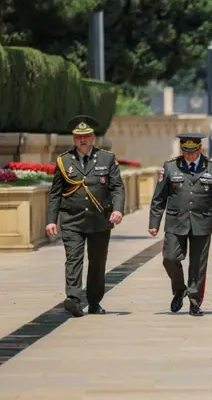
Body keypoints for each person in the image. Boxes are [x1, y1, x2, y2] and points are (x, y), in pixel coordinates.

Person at [45, 115, 125, 317]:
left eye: (87, 136)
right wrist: (50, 220)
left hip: (100, 219)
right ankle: (73, 298)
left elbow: (117, 188)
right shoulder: (64, 161)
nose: (83, 140)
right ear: (74, 138)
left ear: (93, 138)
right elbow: (55, 194)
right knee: (73, 258)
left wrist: (118, 209)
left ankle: (94, 301)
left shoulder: (107, 158)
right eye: (79, 136)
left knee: (97, 262)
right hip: (72, 220)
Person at [148, 133, 212, 317]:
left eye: (193, 151)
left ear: (200, 149)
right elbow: (158, 198)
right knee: (169, 258)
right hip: (176, 221)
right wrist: (154, 222)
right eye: (186, 151)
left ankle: (194, 302)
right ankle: (179, 289)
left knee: (198, 265)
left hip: (202, 221)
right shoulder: (170, 167)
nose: (189, 155)